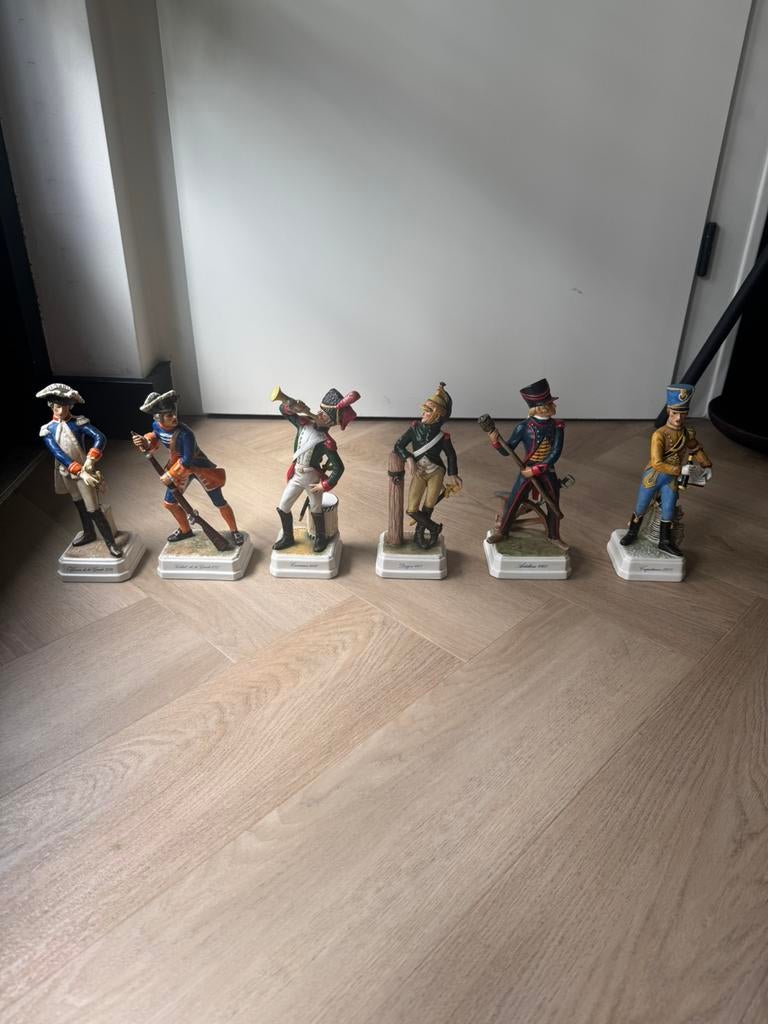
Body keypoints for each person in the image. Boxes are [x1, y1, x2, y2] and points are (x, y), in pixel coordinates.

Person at [133, 390, 244, 544]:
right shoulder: (156, 426)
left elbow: (187, 460)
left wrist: (170, 475)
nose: (174, 417)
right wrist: (145, 441)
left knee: (219, 502)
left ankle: (234, 531)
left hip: (199, 467)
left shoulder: (186, 434)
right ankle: (185, 530)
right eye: (169, 415)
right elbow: (155, 437)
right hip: (178, 469)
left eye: (174, 413)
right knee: (170, 504)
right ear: (158, 418)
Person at [620, 384, 712, 556]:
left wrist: (706, 465)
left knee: (668, 509)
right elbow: (656, 463)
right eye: (675, 413)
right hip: (654, 476)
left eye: (682, 413)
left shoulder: (687, 433)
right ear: (669, 411)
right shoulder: (659, 434)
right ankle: (632, 532)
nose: (678, 418)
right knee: (641, 505)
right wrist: (681, 470)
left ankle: (665, 541)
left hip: (670, 480)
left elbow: (695, 448)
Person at [36, 383, 123, 557]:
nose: (61, 410)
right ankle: (89, 533)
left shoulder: (78, 423)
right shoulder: (47, 430)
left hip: (84, 470)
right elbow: (57, 453)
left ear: (70, 406)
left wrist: (91, 459)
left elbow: (100, 437)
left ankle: (111, 543)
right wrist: (78, 471)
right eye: (58, 407)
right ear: (51, 406)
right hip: (67, 472)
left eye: (65, 406)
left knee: (93, 508)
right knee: (78, 503)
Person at [273, 387, 360, 553]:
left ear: (331, 423)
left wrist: (324, 486)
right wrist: (292, 407)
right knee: (283, 506)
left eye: (325, 416)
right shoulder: (303, 423)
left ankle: (321, 537)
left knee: (316, 509)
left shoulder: (327, 442)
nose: (319, 415)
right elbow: (282, 410)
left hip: (312, 479)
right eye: (320, 411)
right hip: (297, 475)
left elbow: (339, 468)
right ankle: (287, 536)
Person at [486, 378, 564, 542]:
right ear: (541, 408)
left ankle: (554, 537)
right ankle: (503, 531)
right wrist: (495, 441)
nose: (554, 406)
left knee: (553, 503)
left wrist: (535, 470)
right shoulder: (523, 427)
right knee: (514, 500)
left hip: (546, 471)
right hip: (526, 470)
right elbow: (507, 451)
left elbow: (555, 453)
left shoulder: (557, 426)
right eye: (550, 403)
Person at [393, 382, 462, 546]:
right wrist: (409, 458)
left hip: (436, 472)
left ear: (437, 415)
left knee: (429, 506)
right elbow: (398, 446)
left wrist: (453, 474)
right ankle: (433, 528)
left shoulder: (443, 437)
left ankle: (419, 535)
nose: (423, 413)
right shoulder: (414, 429)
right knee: (411, 509)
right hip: (419, 472)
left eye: (428, 411)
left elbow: (450, 455)